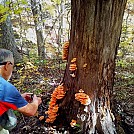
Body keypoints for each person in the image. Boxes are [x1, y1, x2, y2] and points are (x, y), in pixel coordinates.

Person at [0, 49, 42, 134]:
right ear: (7, 65)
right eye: (13, 66)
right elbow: (31, 111)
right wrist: (35, 102)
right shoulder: (4, 87)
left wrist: (19, 98)